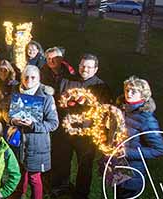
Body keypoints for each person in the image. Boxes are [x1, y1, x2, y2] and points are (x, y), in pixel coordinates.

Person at [52, 54, 112, 198]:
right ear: (79, 66)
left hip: (87, 133)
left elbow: (103, 110)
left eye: (89, 67)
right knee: (62, 160)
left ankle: (81, 192)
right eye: (82, 65)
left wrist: (84, 103)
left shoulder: (101, 86)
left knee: (84, 165)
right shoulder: (66, 81)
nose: (85, 69)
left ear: (95, 69)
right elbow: (58, 102)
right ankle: (61, 187)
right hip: (66, 131)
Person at [2, 65, 59, 199]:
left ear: (39, 79)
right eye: (26, 77)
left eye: (33, 77)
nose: (29, 80)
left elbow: (53, 123)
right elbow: (5, 111)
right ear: (21, 78)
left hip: (36, 144)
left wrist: (34, 125)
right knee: (18, 175)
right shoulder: (15, 93)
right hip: (18, 141)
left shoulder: (46, 97)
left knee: (34, 178)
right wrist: (12, 120)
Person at [114, 76, 163, 198]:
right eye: (127, 90)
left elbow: (158, 149)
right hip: (118, 170)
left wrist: (127, 152)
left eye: (134, 91)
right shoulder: (122, 110)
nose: (129, 93)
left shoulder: (147, 119)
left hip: (132, 173)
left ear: (143, 95)